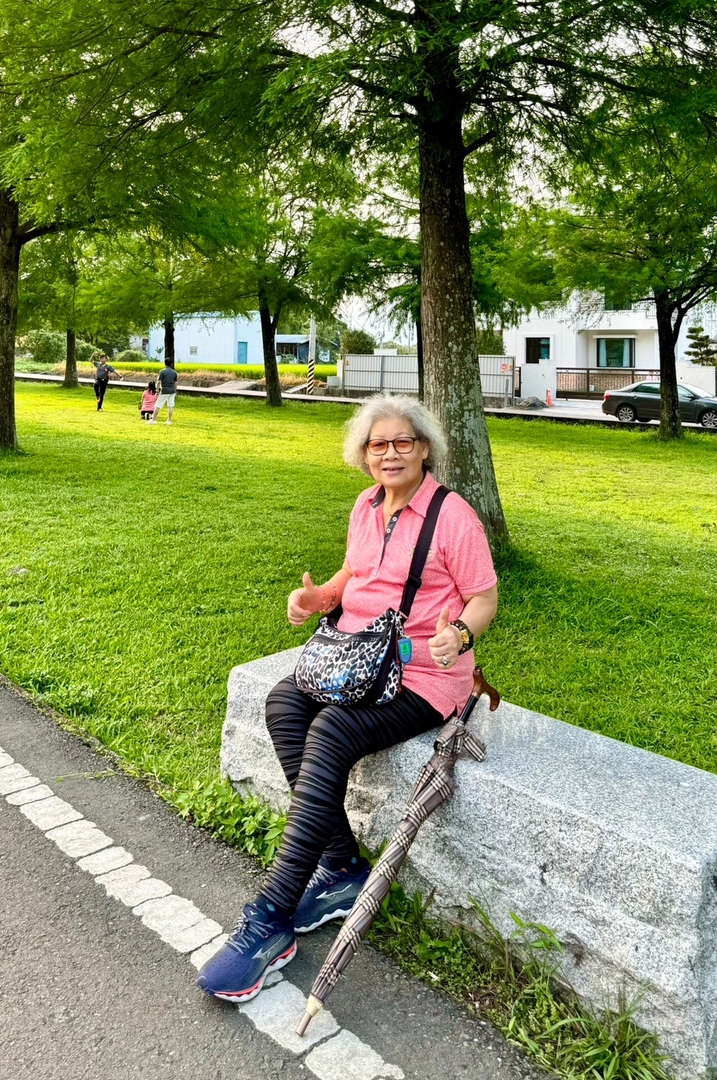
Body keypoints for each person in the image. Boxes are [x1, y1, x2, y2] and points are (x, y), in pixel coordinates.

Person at [196, 394, 498, 1003]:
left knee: (331, 730)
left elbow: (484, 597)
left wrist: (460, 635)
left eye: (402, 442)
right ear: (363, 455)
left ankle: (270, 918)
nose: (390, 453)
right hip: (357, 658)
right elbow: (355, 575)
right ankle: (341, 867)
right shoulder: (366, 505)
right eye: (377, 444)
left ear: (424, 449)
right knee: (284, 704)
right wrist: (320, 599)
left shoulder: (453, 516)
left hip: (422, 674)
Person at [148, 358, 177, 424]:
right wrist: (175, 391)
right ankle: (169, 420)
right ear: (171, 364)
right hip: (172, 390)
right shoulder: (174, 372)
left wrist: (157, 390)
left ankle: (153, 420)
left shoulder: (162, 371)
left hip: (165, 390)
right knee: (171, 405)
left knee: (158, 405)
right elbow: (175, 383)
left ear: (165, 363)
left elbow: (158, 382)